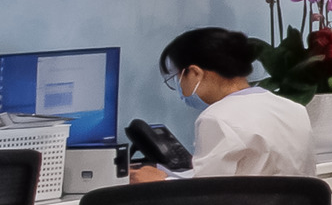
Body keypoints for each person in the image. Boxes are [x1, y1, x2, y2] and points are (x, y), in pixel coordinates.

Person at [132, 26, 311, 184]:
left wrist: (161, 181)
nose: (178, 87)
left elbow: (206, 196)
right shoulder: (294, 109)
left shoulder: (217, 118)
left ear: (194, 73)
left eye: (175, 78)